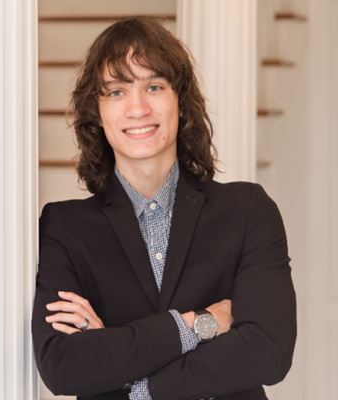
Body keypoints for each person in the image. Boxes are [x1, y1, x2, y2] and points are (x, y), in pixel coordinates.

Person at [32, 16, 296, 400]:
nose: (137, 108)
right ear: (97, 114)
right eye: (116, 92)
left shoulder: (247, 210)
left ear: (181, 103)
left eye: (154, 86)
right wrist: (199, 323)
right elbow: (63, 365)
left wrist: (136, 382)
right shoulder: (64, 226)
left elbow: (267, 351)